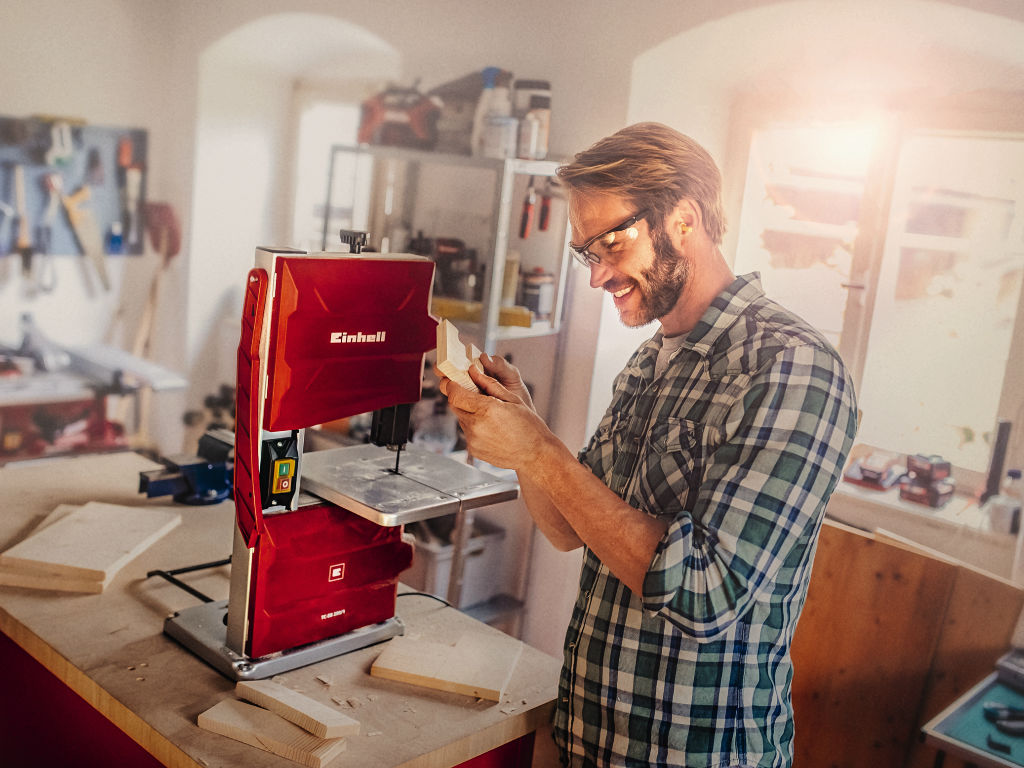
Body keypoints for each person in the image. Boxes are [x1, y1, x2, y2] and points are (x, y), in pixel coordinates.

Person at [436, 122, 858, 768]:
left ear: (684, 219)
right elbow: (567, 529)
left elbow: (703, 593)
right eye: (587, 252)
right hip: (594, 740)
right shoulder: (651, 360)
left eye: (612, 242)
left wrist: (541, 450)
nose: (598, 274)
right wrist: (524, 433)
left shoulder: (791, 368)